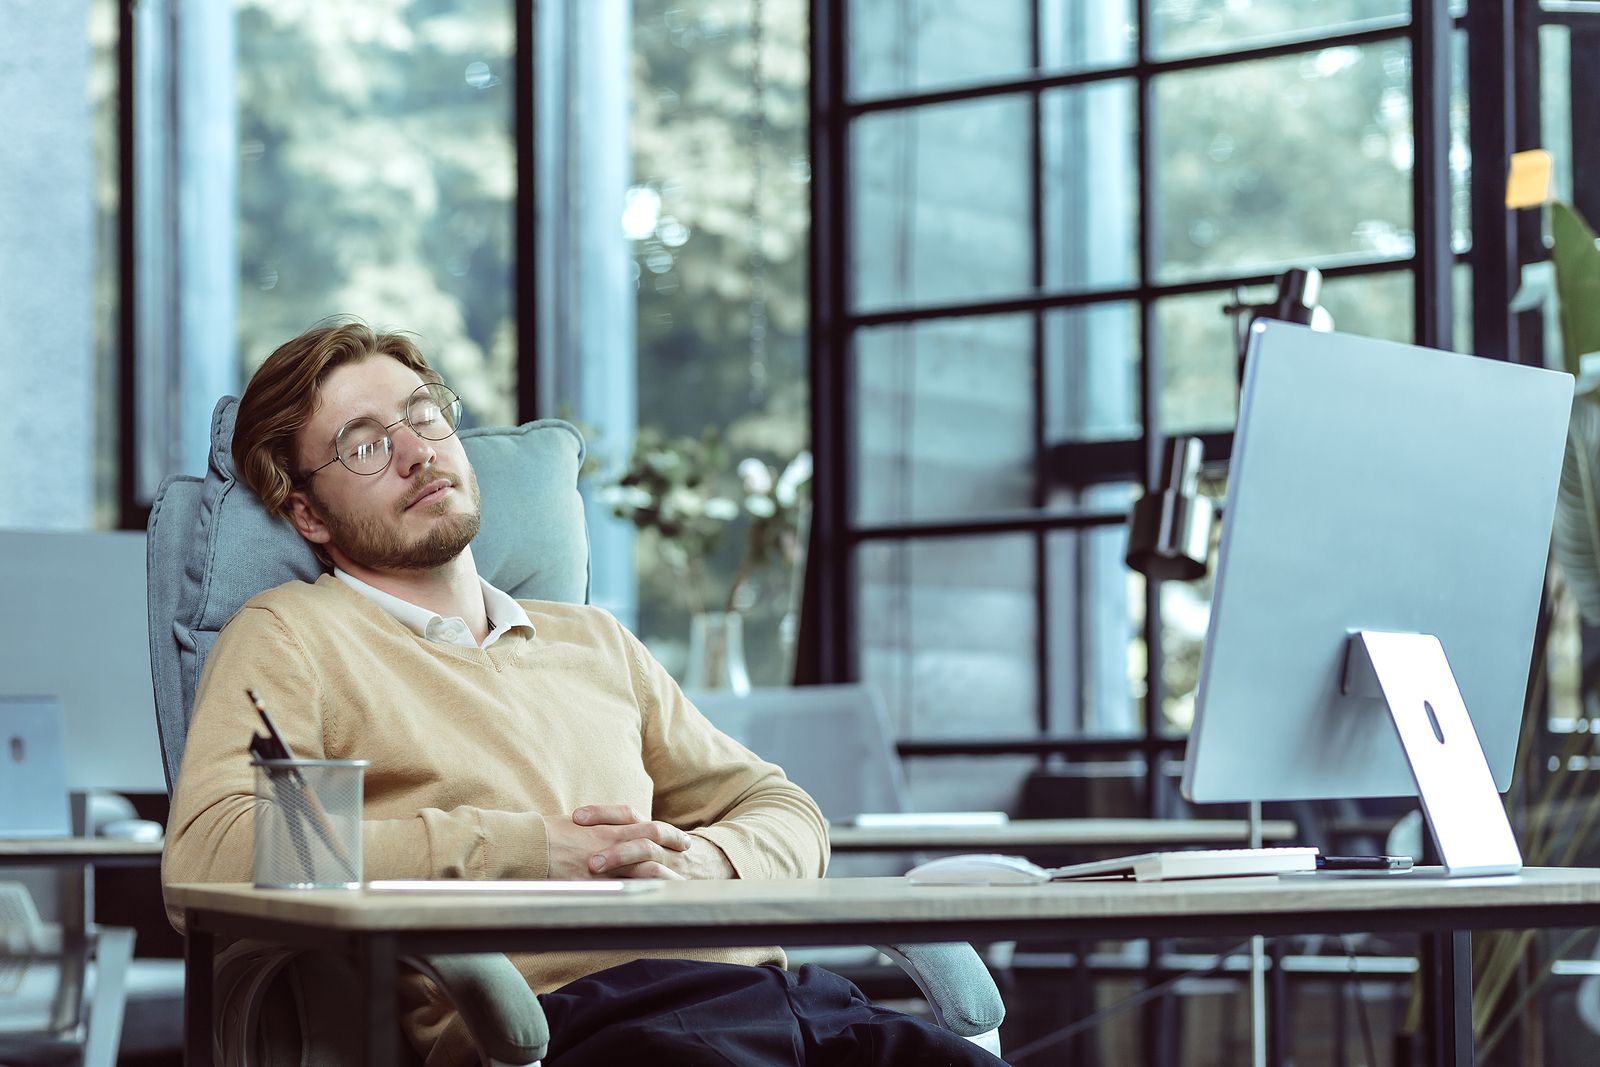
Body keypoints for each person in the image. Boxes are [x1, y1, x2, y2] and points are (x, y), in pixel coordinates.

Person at [162, 321, 1002, 1067]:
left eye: (422, 413)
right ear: (309, 515)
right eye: (365, 445)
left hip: (797, 1004)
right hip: (580, 1026)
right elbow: (218, 854)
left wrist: (711, 861)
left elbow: (777, 803)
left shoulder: (590, 639)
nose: (418, 449)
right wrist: (532, 853)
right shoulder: (297, 633)